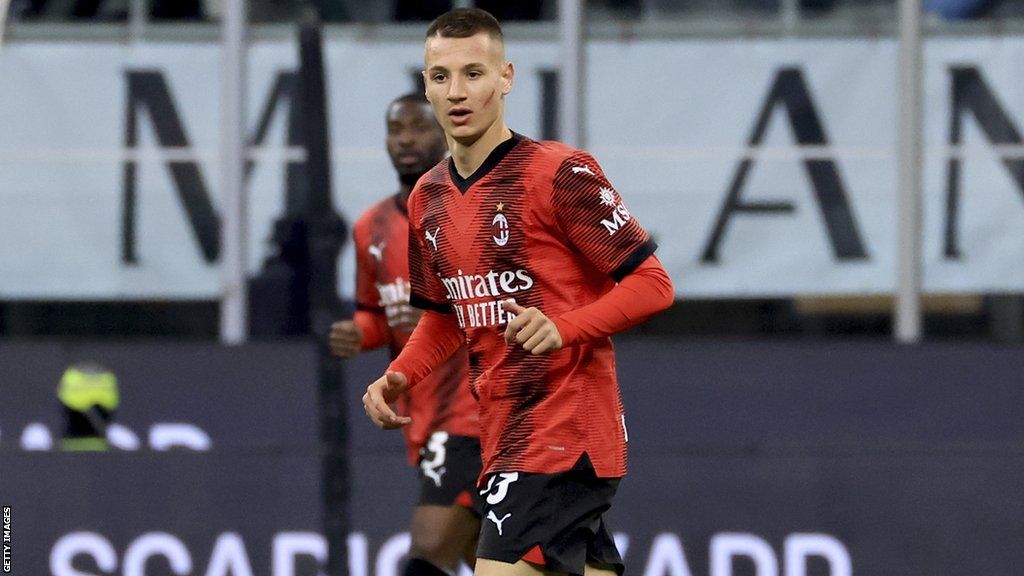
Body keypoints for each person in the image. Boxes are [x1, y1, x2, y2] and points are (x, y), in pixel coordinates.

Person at [362, 8, 674, 576]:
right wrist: (403, 373)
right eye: (441, 77)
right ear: (427, 86)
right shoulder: (427, 199)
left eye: (474, 74)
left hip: (563, 432)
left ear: (506, 77)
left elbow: (654, 286)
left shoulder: (559, 173)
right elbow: (444, 315)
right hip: (502, 431)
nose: (457, 92)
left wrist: (563, 326)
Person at [329, 93, 483, 576]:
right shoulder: (369, 228)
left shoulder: (472, 213)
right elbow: (377, 312)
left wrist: (447, 318)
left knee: (427, 555)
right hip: (422, 416)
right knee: (489, 562)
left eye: (419, 127)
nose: (407, 139)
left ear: (445, 132)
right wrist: (360, 333)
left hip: (475, 411)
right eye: (397, 129)